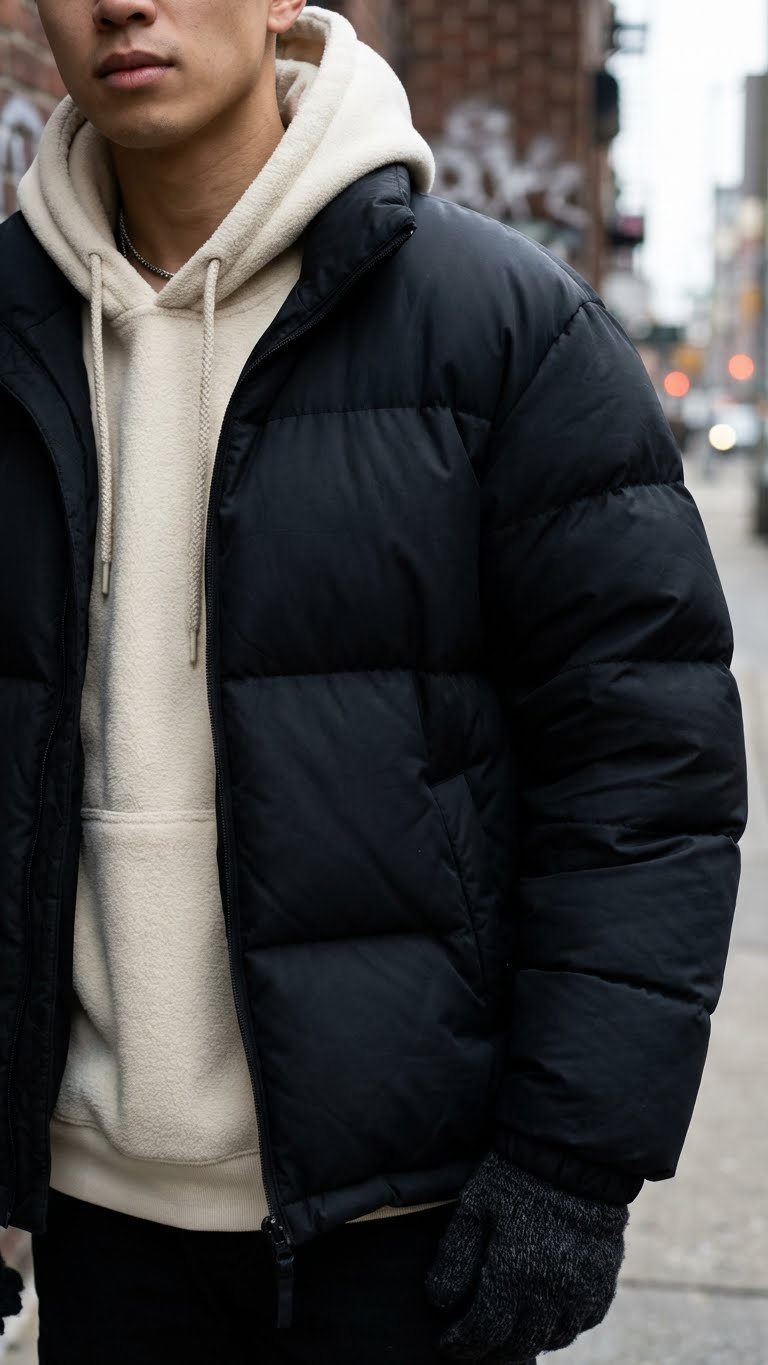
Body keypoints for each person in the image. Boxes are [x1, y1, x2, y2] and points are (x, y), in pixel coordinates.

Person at [0, 2, 747, 1362]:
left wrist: (570, 1163)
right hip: (90, 1223)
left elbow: (645, 770)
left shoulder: (505, 334)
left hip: (407, 1230)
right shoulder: (9, 339)